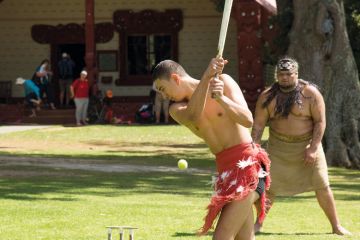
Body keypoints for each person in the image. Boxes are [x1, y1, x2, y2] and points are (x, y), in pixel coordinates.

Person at [152, 58, 271, 240]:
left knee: (222, 236)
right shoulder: (176, 109)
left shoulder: (224, 82)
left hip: (248, 167)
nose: (163, 96)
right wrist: (206, 78)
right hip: (226, 175)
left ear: (175, 78)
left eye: (162, 88)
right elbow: (193, 115)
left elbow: (247, 119)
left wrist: (222, 98)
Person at [251, 57, 351, 235]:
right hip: (278, 149)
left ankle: (336, 226)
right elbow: (258, 125)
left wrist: (313, 148)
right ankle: (258, 224)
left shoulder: (310, 94)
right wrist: (255, 149)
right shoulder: (267, 97)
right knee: (268, 188)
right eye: (281, 74)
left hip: (307, 147)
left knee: (322, 185)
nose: (285, 78)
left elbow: (320, 122)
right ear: (277, 76)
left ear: (296, 74)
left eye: (289, 74)